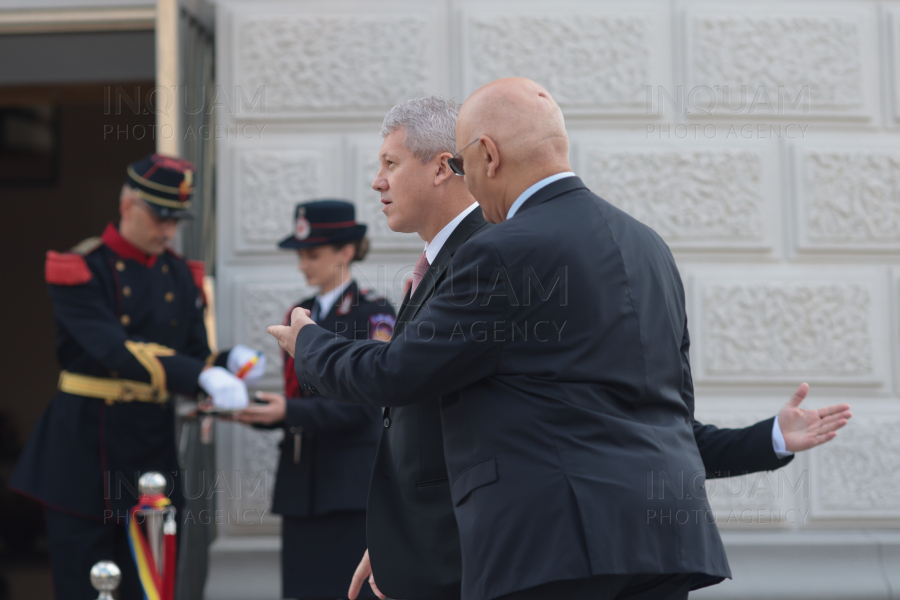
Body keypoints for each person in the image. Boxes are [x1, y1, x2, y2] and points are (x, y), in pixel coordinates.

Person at [338, 98, 851, 600]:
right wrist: (769, 440)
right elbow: (660, 422)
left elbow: (401, 376)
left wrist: (308, 343)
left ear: (488, 156)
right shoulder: (649, 247)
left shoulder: (499, 250)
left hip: (556, 553)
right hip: (665, 546)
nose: (468, 179)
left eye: (465, 164)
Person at [9, 154, 264, 600]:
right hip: (83, 454)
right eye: (159, 217)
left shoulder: (181, 275)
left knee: (152, 586)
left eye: (175, 221)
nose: (168, 231)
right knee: (86, 587)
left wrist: (225, 362)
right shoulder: (81, 268)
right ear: (128, 205)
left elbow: (192, 357)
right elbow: (114, 349)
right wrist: (200, 374)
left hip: (150, 452)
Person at [235, 200, 395, 600]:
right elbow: (298, 397)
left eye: (313, 254)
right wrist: (267, 412)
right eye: (301, 255)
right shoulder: (298, 313)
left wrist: (287, 411)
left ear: (345, 251)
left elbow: (367, 404)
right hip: (301, 484)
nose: (303, 264)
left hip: (348, 487)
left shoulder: (372, 313)